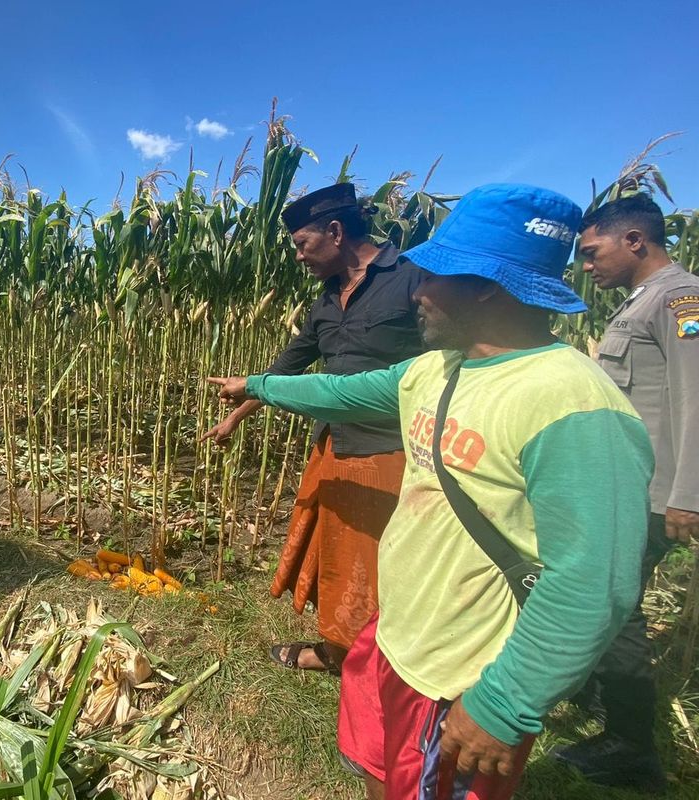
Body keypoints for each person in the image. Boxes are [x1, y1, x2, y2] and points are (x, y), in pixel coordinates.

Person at [209, 183, 653, 799]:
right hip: (399, 633)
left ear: (486, 286)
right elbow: (339, 392)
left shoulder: (573, 405)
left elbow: (593, 583)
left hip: (461, 671)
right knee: (377, 770)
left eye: (434, 276)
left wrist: (504, 703)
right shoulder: (439, 367)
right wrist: (257, 385)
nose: (416, 290)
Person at [201, 183, 424, 674]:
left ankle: (377, 660)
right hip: (335, 446)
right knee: (338, 557)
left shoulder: (412, 279)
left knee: (385, 563)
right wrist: (235, 416)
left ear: (336, 232)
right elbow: (286, 370)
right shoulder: (325, 300)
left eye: (303, 244)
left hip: (393, 452)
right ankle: (340, 650)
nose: (299, 256)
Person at [552, 193, 699, 791]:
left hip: (654, 492)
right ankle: (601, 704)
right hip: (628, 485)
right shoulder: (642, 301)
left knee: (615, 609)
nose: (587, 266)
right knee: (610, 601)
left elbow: (695, 396)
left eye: (593, 252)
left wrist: (688, 493)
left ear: (635, 240)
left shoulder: (681, 298)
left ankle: (630, 748)